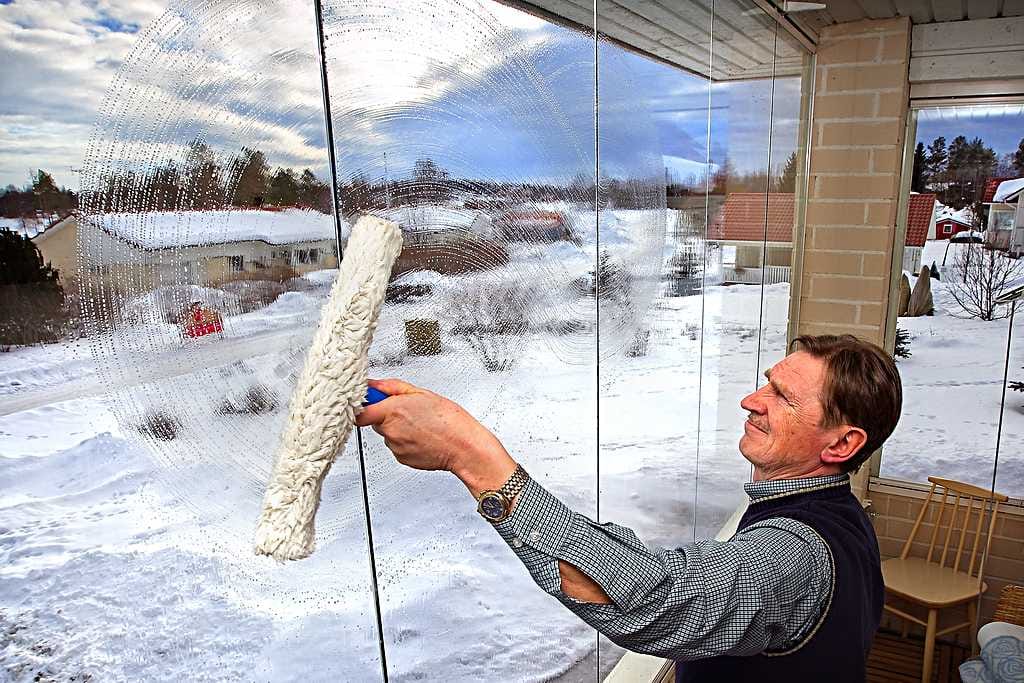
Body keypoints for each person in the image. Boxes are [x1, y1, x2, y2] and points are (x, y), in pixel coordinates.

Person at [355, 334, 903, 681]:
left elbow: (649, 597)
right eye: (767, 385)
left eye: (782, 397)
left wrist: (470, 456)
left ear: (841, 444)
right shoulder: (842, 515)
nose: (751, 401)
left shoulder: (797, 553)